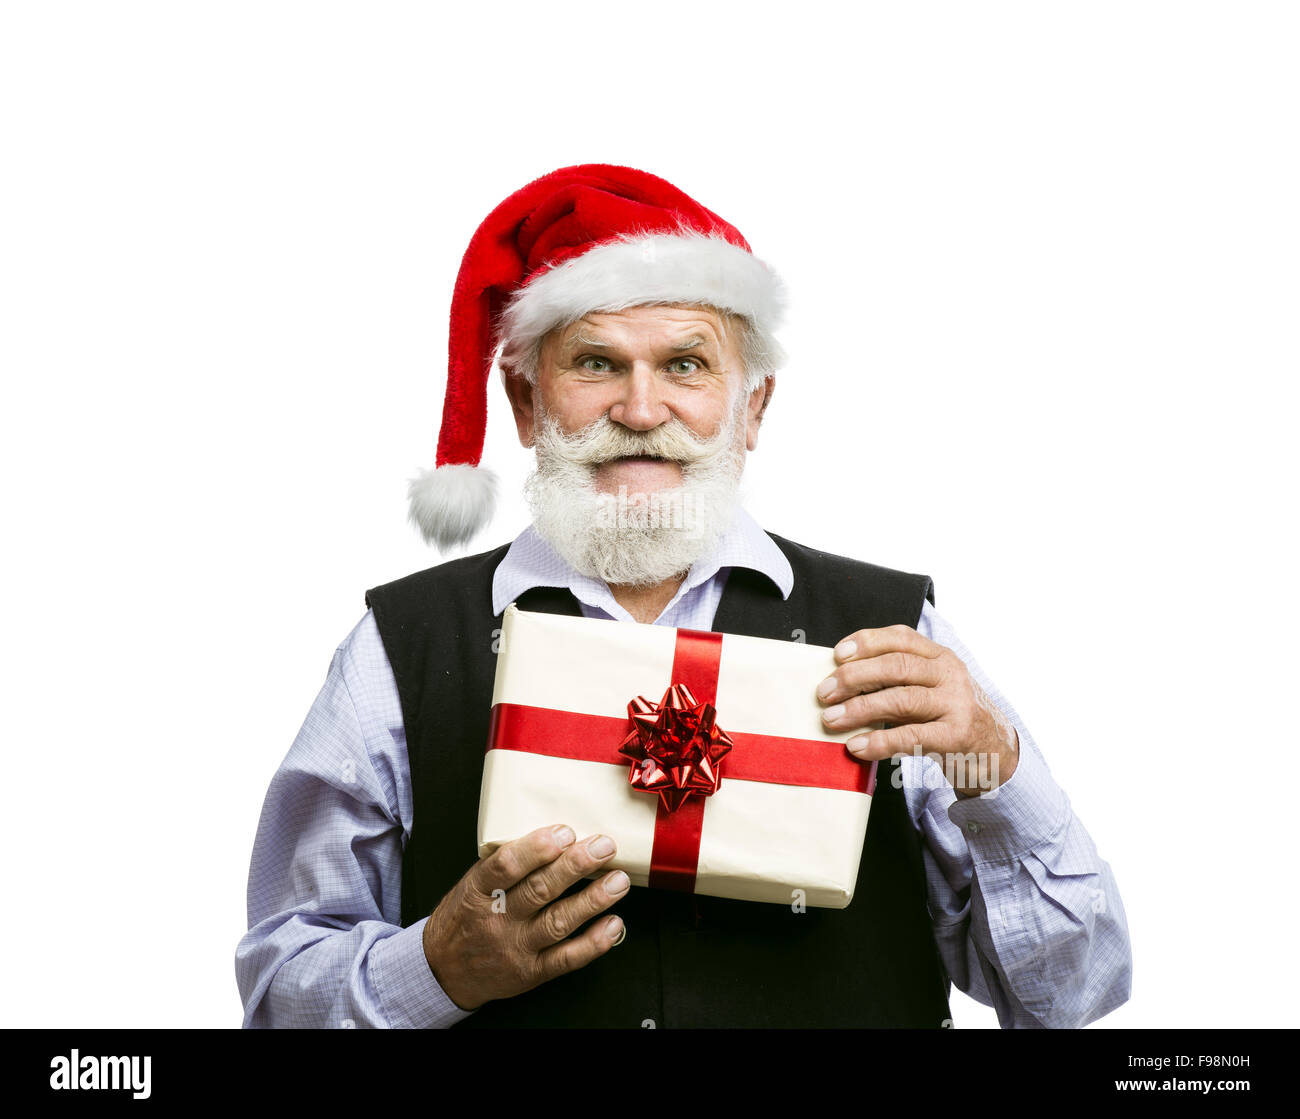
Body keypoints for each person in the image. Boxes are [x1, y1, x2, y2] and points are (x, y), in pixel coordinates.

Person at [235, 164, 1131, 1029]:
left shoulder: (892, 632)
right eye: (594, 362)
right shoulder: (401, 651)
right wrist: (436, 969)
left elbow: (1071, 994)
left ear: (752, 407)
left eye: (686, 365)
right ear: (522, 401)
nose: (639, 407)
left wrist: (990, 765)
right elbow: (279, 996)